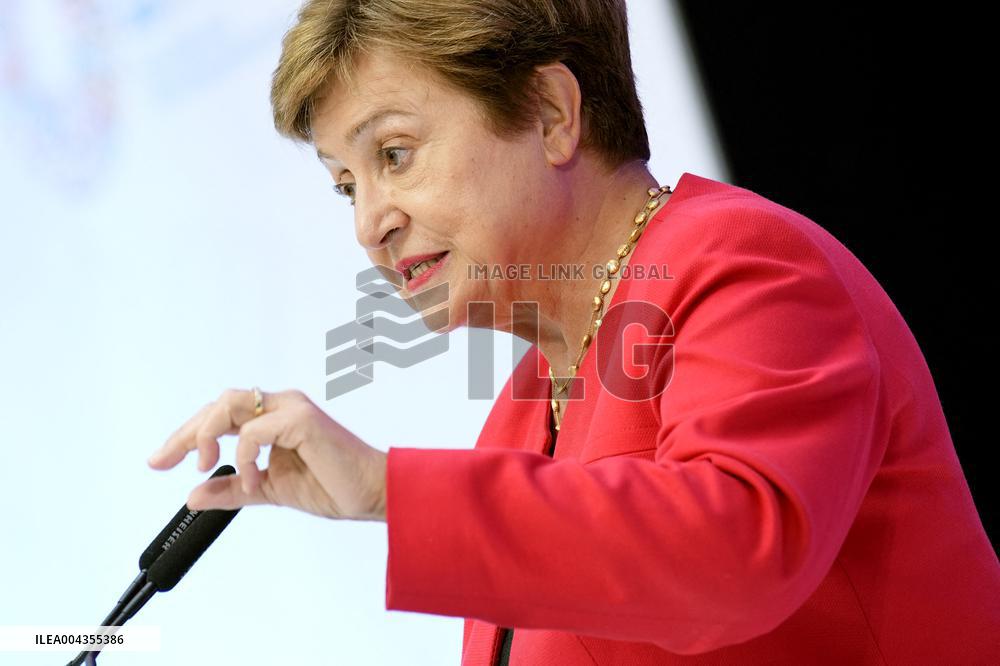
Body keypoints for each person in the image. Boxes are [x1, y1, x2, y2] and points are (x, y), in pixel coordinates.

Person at [146, 1, 1000, 664]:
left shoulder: (743, 262)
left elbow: (737, 549)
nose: (371, 222)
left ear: (552, 112)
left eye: (394, 154)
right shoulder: (521, 415)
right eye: (346, 185)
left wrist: (387, 491)